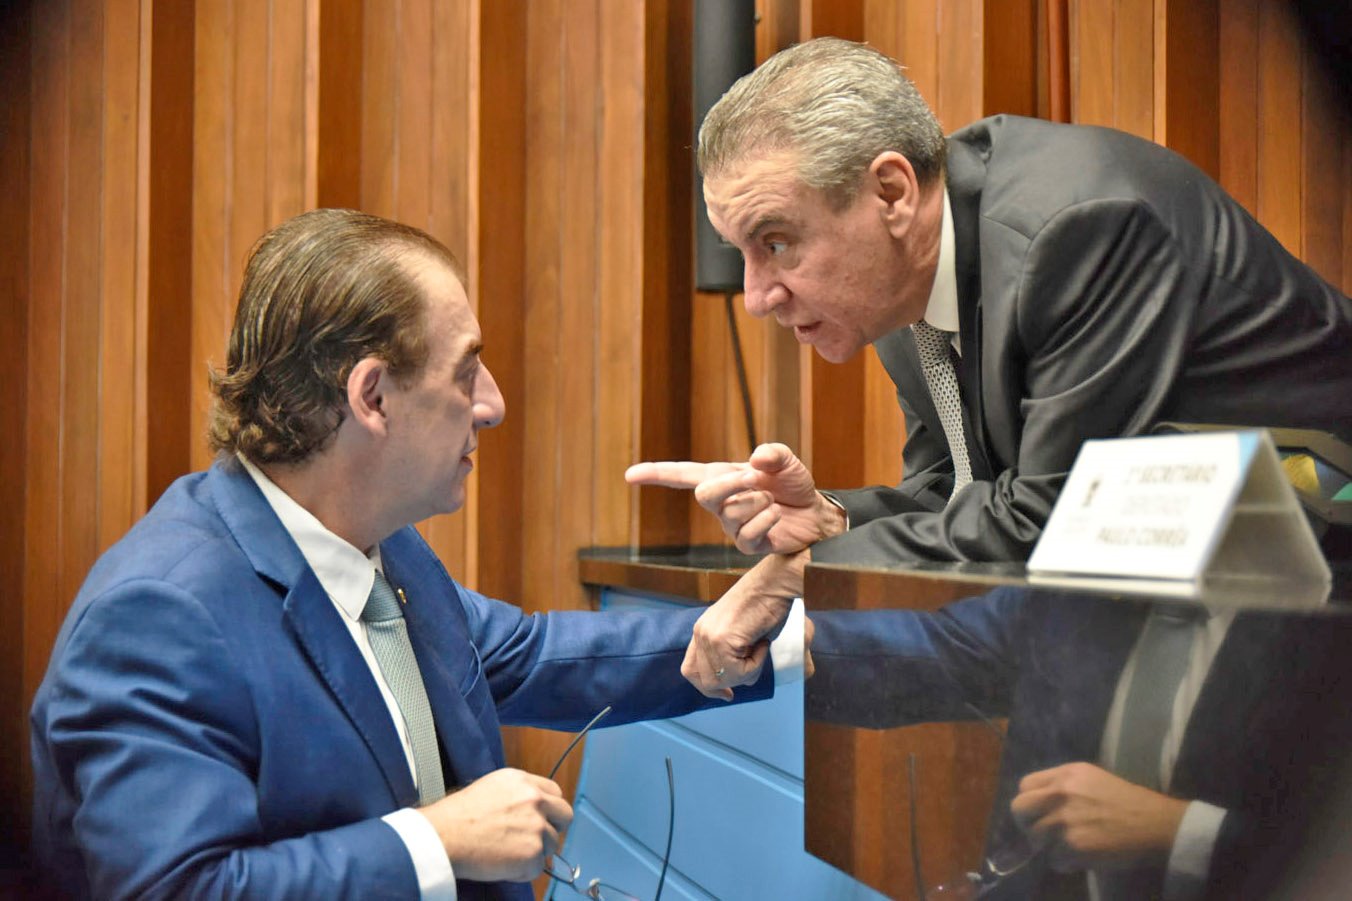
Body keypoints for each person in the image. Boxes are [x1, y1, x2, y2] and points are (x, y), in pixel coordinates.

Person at [29, 209, 805, 900]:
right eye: (466, 370)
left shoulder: (377, 543)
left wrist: (774, 633)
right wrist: (435, 842)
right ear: (371, 397)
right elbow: (177, 885)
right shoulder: (157, 614)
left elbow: (531, 655)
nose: (492, 404)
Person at [628, 36, 1352, 575]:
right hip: (1211, 566)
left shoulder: (1075, 229)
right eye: (742, 253)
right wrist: (831, 519)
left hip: (1325, 537)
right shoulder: (900, 282)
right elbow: (956, 492)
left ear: (890, 193)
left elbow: (1051, 522)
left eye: (777, 242)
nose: (757, 297)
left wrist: (809, 569)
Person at [806, 588, 1352, 900]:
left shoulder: (1327, 625)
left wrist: (1182, 833)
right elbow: (936, 650)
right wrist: (776, 642)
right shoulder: (1086, 591)